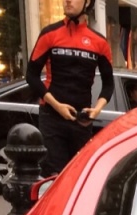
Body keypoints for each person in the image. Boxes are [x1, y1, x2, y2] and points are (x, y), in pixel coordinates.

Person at [26, 0, 113, 177]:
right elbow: (31, 75)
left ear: (87, 2)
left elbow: (108, 84)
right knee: (53, 177)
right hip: (52, 118)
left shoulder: (99, 42)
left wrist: (96, 110)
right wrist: (57, 106)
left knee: (77, 178)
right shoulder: (50, 34)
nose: (67, 1)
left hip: (81, 121)